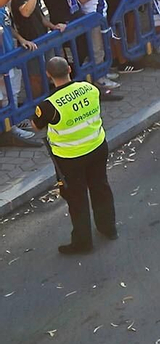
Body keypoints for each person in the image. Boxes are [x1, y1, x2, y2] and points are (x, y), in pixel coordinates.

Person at [33, 55, 118, 254]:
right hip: (97, 147)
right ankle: (109, 228)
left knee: (77, 199)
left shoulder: (48, 105)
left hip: (70, 158)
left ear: (48, 75)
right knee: (100, 188)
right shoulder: (89, 88)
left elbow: (36, 126)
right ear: (69, 69)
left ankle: (82, 242)